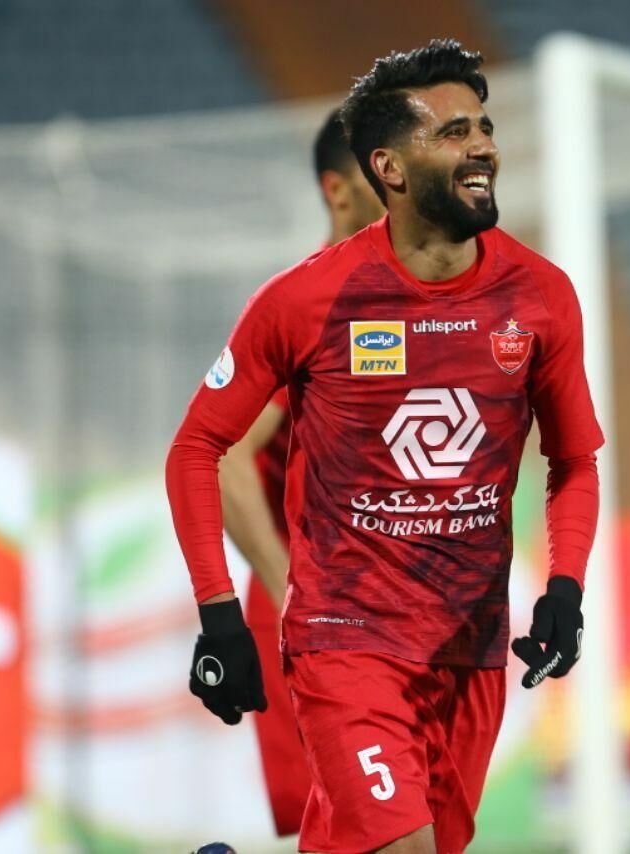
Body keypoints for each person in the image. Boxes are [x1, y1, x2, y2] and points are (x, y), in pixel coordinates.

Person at [168, 40, 603, 854]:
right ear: (390, 169)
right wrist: (221, 616)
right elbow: (197, 448)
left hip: (470, 645)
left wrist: (567, 587)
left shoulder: (542, 297)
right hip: (344, 639)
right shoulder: (307, 299)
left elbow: (574, 461)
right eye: (452, 132)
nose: (481, 146)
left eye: (484, 127)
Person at [215, 108, 384, 840]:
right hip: (318, 613)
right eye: (383, 175)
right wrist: (294, 595)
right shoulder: (309, 309)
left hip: (398, 611)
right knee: (344, 826)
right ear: (337, 191)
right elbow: (222, 458)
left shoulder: (417, 306)